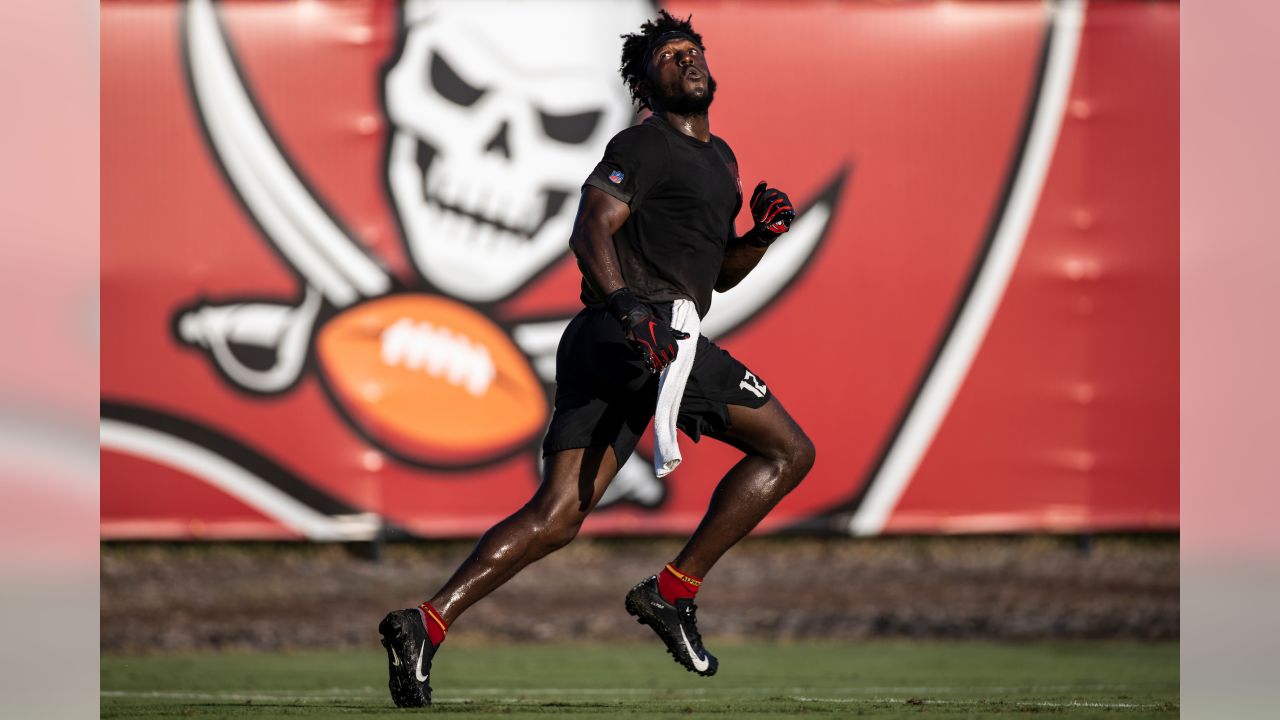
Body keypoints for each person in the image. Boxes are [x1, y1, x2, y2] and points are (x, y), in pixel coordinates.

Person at [378, 11, 815, 707]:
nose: (685, 60)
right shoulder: (640, 145)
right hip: (639, 330)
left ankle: (424, 623)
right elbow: (590, 228)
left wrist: (760, 236)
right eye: (668, 56)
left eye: (691, 50)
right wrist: (630, 309)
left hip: (620, 335)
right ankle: (673, 593)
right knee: (789, 453)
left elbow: (717, 276)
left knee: (557, 516)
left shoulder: (722, 160)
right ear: (645, 82)